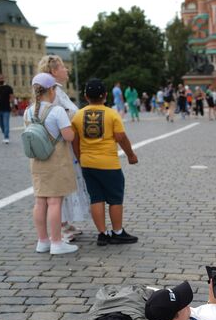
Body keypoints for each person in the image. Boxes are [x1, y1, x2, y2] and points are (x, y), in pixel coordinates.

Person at [71, 79, 139, 246]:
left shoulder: (78, 115)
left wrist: (80, 158)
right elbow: (121, 137)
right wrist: (131, 155)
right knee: (115, 199)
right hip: (109, 164)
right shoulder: (111, 114)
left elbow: (74, 141)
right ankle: (117, 232)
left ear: (86, 96)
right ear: (105, 96)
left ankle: (102, 233)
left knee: (96, 198)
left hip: (87, 163)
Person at [23, 73, 78, 255]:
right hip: (56, 161)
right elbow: (69, 136)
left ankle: (43, 241)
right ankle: (56, 243)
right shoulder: (57, 111)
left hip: (37, 161)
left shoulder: (28, 111)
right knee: (55, 202)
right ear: (51, 90)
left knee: (40, 202)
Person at [38, 54, 90, 243]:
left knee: (68, 183)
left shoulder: (58, 91)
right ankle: (59, 227)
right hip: (60, 146)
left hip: (64, 145)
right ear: (53, 71)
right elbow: (57, 118)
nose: (67, 70)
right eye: (63, 67)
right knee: (61, 185)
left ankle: (64, 222)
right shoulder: (53, 93)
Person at [0, 74, 14, 144]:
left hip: (6, 108)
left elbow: (12, 97)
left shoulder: (8, 87)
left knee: (6, 123)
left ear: (4, 79)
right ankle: (5, 133)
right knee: (1, 124)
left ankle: (6, 137)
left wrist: (11, 103)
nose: (0, 79)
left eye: (1, 78)